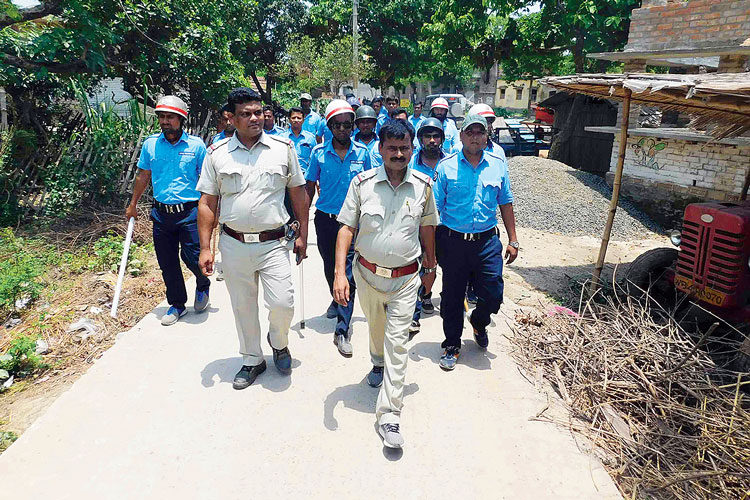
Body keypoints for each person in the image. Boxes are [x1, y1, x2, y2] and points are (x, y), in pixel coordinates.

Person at [334, 119, 438, 449]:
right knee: (376, 332)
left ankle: (390, 415)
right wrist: (340, 273)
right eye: (391, 148)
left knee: (398, 342)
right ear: (380, 149)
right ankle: (376, 362)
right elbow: (346, 230)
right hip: (366, 275)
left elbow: (427, 228)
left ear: (412, 149)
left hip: (406, 278)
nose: (398, 154)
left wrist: (430, 266)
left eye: (404, 148)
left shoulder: (423, 185)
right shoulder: (362, 184)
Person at [196, 87, 309, 389]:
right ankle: (252, 359)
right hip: (233, 244)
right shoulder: (217, 154)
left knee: (283, 304)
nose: (254, 118)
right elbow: (207, 203)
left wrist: (303, 235)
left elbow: (298, 192)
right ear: (231, 118)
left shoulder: (282, 148)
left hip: (274, 243)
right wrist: (205, 247)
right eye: (245, 114)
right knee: (243, 306)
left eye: (258, 112)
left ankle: (279, 341)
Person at [433, 112, 519, 371]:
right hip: (453, 241)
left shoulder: (497, 164)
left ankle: (479, 322)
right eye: (469, 132)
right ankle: (451, 344)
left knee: (493, 293)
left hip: (486, 241)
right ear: (461, 136)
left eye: (479, 132)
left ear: (486, 136)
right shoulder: (446, 166)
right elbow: (434, 210)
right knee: (452, 295)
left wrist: (513, 239)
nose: (474, 137)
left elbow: (505, 202)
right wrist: (428, 249)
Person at [126, 96, 211, 326]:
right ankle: (177, 304)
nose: (165, 121)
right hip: (161, 213)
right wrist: (133, 204)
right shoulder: (150, 145)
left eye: (170, 117)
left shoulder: (196, 146)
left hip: (190, 212)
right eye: (162, 117)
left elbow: (207, 181)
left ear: (181, 120)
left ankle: (203, 284)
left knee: (193, 256)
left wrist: (212, 211)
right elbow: (143, 175)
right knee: (167, 261)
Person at [305, 99, 373, 357]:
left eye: (347, 125)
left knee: (346, 271)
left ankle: (342, 329)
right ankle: (336, 296)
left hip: (352, 223)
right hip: (325, 219)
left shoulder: (363, 154)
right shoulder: (318, 154)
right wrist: (300, 220)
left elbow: (370, 187)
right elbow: (309, 188)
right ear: (330, 126)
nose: (343, 130)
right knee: (328, 266)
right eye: (338, 125)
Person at [408, 117, 446, 334]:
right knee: (417, 265)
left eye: (436, 136)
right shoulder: (411, 162)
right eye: (427, 136)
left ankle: (428, 294)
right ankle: (415, 311)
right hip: (417, 223)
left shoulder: (450, 162)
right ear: (420, 139)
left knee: (437, 263)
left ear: (441, 138)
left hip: (444, 224)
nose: (432, 140)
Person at [283, 106, 317, 174]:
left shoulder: (310, 139)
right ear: (289, 120)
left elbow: (315, 160)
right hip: (286, 177)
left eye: (299, 118)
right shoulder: (282, 137)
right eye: (293, 118)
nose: (296, 120)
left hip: (304, 177)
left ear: (303, 120)